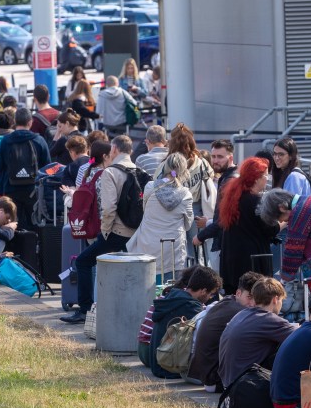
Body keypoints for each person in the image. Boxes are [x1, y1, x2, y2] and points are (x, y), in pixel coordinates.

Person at [60, 135, 138, 324]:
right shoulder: (137, 170)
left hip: (112, 230)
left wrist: (105, 230)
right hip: (135, 229)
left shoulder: (107, 173)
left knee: (84, 262)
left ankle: (86, 310)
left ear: (114, 150)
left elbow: (108, 207)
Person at [187, 270, 262, 392]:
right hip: (216, 379)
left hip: (207, 376)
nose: (253, 303)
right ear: (238, 293)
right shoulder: (240, 312)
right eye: (249, 297)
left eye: (256, 298)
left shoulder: (227, 302)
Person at [218, 278, 297, 388]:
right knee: (293, 347)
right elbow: (302, 337)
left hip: (228, 383)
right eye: (281, 301)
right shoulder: (268, 318)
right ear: (276, 299)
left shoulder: (242, 314)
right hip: (245, 385)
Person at [126, 152, 194, 278]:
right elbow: (188, 224)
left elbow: (145, 209)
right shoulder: (186, 194)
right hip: (172, 247)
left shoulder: (150, 187)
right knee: (170, 288)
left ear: (165, 166)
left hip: (147, 243)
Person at [156, 124, 216, 264]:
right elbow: (211, 178)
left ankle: (184, 279)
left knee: (177, 250)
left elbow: (156, 181)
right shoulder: (201, 162)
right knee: (198, 249)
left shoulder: (168, 164)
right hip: (196, 208)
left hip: (173, 208)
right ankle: (200, 277)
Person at [148, 266, 222, 379]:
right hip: (170, 368)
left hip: (157, 364)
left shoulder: (173, 296)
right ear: (203, 291)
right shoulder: (191, 307)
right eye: (211, 294)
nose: (211, 297)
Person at [218, 157, 278, 295]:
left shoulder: (233, 196)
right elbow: (270, 229)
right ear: (257, 178)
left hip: (231, 260)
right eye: (265, 175)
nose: (267, 179)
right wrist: (283, 223)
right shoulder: (257, 201)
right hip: (251, 264)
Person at [0, 107, 51, 227]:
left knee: (13, 222)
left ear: (15, 121)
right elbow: (47, 167)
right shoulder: (39, 140)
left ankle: (15, 244)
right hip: (33, 190)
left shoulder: (6, 141)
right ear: (30, 122)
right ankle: (33, 244)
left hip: (11, 188)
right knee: (33, 221)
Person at [258, 188, 311, 281]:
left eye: (278, 217)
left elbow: (292, 252)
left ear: (282, 208)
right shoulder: (309, 199)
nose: (280, 221)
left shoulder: (298, 215)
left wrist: (284, 275)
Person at [194, 139, 239, 273]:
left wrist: (201, 236)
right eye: (213, 156)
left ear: (230, 157)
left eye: (220, 157)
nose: (215, 160)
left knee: (224, 288)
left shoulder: (231, 180)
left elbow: (226, 219)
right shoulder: (226, 177)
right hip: (224, 242)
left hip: (228, 245)